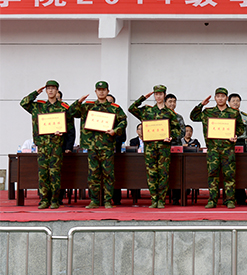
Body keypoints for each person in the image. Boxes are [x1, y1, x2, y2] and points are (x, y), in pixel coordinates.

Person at [70, 81, 127, 209]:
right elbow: (72, 113)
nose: (101, 92)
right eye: (99, 90)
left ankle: (107, 200)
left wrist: (115, 131)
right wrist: (78, 102)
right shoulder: (88, 106)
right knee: (93, 175)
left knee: (108, 174)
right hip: (92, 146)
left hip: (107, 146)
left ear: (107, 91)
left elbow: (123, 121)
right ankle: (94, 200)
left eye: (104, 90)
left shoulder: (114, 108)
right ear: (95, 92)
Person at [20, 80, 73, 209]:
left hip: (56, 145)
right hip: (42, 145)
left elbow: (70, 126)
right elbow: (23, 103)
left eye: (53, 88)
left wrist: (64, 135)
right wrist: (35, 93)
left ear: (57, 91)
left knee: (55, 174)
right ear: (45, 91)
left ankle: (55, 200)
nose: (50, 91)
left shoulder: (63, 107)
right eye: (48, 88)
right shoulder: (38, 106)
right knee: (43, 174)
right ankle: (44, 200)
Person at [129, 85, 181, 209]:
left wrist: (171, 137)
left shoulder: (169, 113)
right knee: (151, 174)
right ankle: (154, 199)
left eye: (160, 94)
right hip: (150, 147)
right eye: (156, 94)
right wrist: (142, 98)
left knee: (163, 174)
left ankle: (161, 200)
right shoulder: (147, 111)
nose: (158, 96)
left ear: (164, 95)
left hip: (164, 147)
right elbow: (132, 108)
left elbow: (178, 130)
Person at [190, 88, 244, 209]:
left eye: (222, 96)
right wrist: (201, 105)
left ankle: (230, 200)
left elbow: (241, 127)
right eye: (218, 96)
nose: (220, 98)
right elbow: (193, 117)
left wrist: (236, 135)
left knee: (229, 175)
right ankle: (212, 200)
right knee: (212, 175)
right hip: (213, 149)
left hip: (228, 149)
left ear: (226, 98)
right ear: (215, 98)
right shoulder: (208, 112)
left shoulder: (233, 112)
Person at [228, 93, 247, 205]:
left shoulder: (245, 117)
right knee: (228, 171)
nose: (235, 103)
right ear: (229, 103)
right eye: (233, 101)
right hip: (227, 144)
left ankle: (241, 197)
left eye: (237, 101)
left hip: (241, 144)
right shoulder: (224, 115)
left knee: (241, 171)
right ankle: (229, 198)